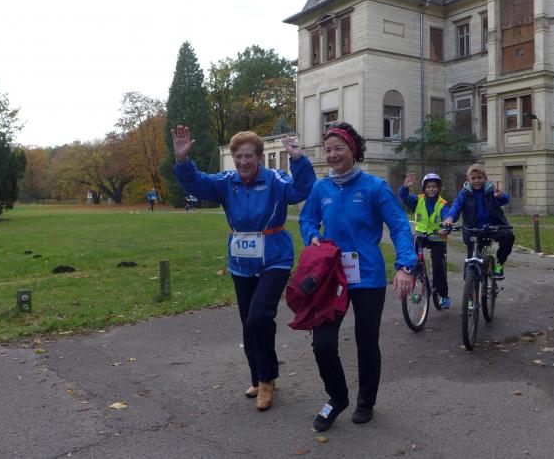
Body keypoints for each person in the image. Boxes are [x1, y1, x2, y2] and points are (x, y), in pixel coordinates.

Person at [171, 125, 315, 411]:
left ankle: (266, 380)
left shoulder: (275, 180)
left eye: (248, 156)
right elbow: (196, 184)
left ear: (259, 157)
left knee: (258, 317)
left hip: (275, 259)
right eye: (238, 157)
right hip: (241, 263)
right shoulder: (227, 182)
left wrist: (298, 159)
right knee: (249, 322)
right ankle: (260, 378)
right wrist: (183, 161)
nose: (243, 162)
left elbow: (301, 189)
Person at [299, 121, 416, 432]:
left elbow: (400, 226)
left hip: (368, 277)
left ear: (353, 150)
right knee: (322, 343)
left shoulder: (375, 187)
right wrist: (311, 235)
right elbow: (307, 219)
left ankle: (366, 401)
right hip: (331, 277)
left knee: (366, 341)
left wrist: (405, 265)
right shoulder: (320, 188)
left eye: (338, 148)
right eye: (328, 150)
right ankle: (337, 397)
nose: (332, 155)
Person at [442, 163, 515, 279]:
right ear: (468, 179)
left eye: (480, 178)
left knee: (508, 236)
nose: (476, 181)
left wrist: (500, 196)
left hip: (492, 226)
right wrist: (450, 217)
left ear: (485, 178)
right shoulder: (464, 193)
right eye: (473, 178)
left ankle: (499, 264)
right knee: (471, 259)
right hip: (472, 229)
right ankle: (469, 286)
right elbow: (456, 206)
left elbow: (505, 199)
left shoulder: (491, 190)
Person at [398, 172, 451, 309]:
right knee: (413, 259)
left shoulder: (442, 204)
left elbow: (447, 217)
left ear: (438, 188)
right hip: (421, 236)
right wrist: (405, 188)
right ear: (424, 188)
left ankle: (444, 295)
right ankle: (419, 277)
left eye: (434, 187)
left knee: (438, 266)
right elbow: (405, 198)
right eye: (428, 187)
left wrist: (446, 227)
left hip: (437, 237)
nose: (431, 189)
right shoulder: (418, 199)